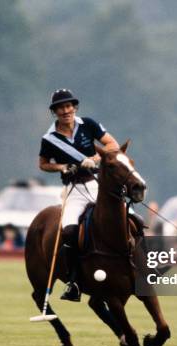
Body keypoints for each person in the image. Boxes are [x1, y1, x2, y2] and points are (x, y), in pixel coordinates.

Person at [38, 89, 119, 302]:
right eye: (61, 108)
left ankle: (144, 267)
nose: (66, 111)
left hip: (96, 184)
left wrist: (95, 158)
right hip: (73, 190)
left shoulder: (89, 124)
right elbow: (43, 164)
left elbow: (112, 144)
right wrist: (63, 167)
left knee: (128, 217)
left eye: (69, 106)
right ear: (54, 112)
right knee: (70, 231)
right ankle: (74, 282)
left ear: (74, 107)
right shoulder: (50, 139)